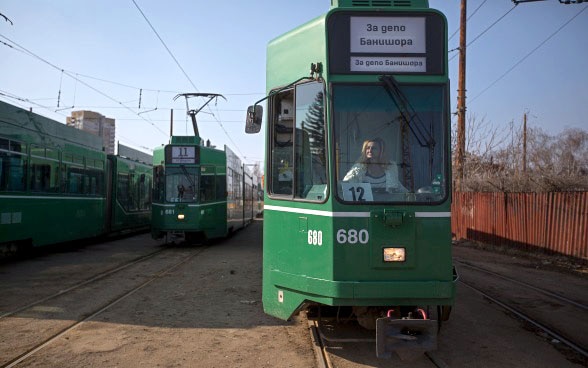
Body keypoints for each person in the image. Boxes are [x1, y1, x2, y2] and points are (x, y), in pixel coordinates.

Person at [342, 138, 407, 193]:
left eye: (373, 148)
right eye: (367, 148)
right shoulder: (358, 168)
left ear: (381, 151)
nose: (370, 150)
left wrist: (413, 195)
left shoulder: (390, 168)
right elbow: (345, 184)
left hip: (386, 205)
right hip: (364, 206)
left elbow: (397, 187)